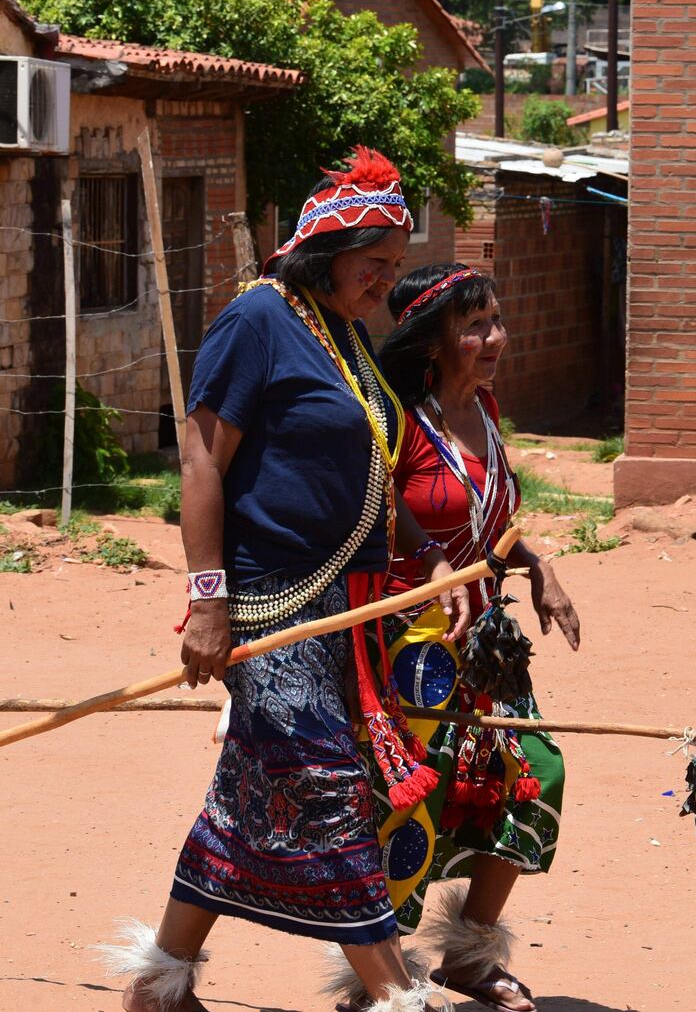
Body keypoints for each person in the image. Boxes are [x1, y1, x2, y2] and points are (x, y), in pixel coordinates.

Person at [98, 151, 468, 1012]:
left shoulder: (340, 332)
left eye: (392, 266)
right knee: (328, 785)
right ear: (323, 251)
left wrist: (433, 556)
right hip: (268, 606)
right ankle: (394, 993)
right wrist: (206, 602)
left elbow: (372, 465)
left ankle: (161, 979)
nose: (383, 282)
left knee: (251, 793)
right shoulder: (256, 320)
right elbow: (200, 458)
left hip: (340, 612)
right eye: (371, 263)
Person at [338, 264, 581, 1012]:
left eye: (497, 322)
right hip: (415, 647)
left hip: (487, 644)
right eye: (474, 327)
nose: (494, 338)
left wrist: (538, 566)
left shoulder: (489, 411)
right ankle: (375, 980)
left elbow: (492, 527)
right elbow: (371, 517)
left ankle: (471, 955)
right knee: (413, 803)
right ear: (433, 343)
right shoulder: (400, 423)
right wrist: (430, 574)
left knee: (535, 771)